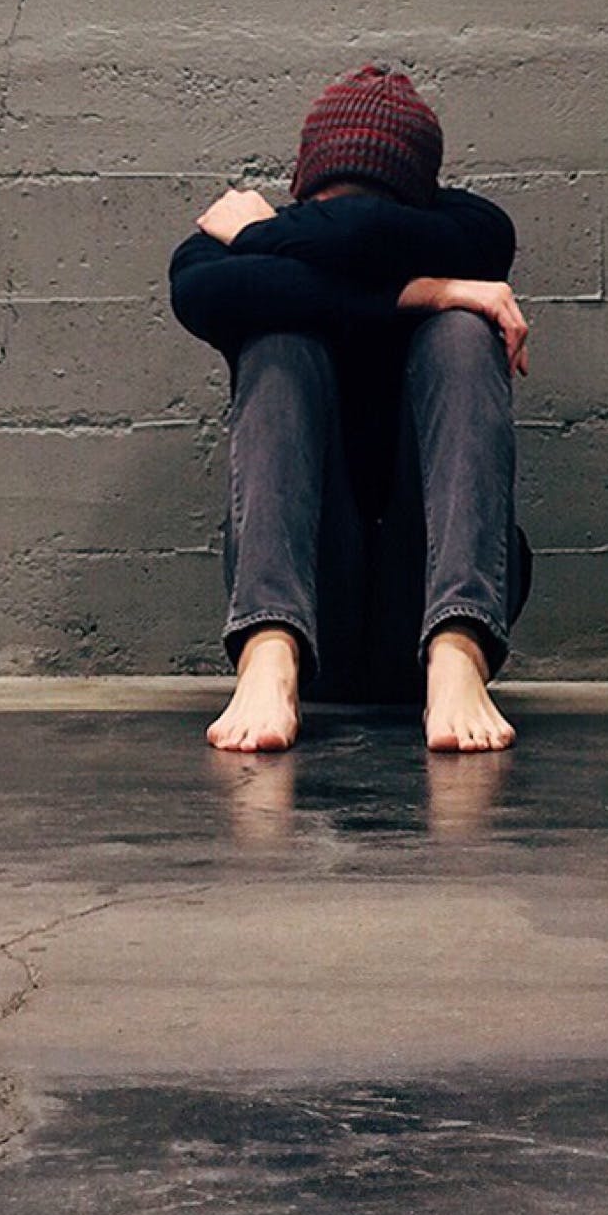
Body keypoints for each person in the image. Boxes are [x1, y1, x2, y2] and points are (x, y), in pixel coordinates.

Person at [169, 66, 533, 754]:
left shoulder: (472, 229)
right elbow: (199, 293)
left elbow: (367, 233)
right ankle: (266, 654)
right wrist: (425, 288)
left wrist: (271, 233)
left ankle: (459, 652)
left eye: (371, 204)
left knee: (463, 331)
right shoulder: (217, 256)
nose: (345, 220)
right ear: (303, 193)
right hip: (311, 611)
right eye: (325, 205)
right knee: (278, 334)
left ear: (419, 210)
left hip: (425, 596)